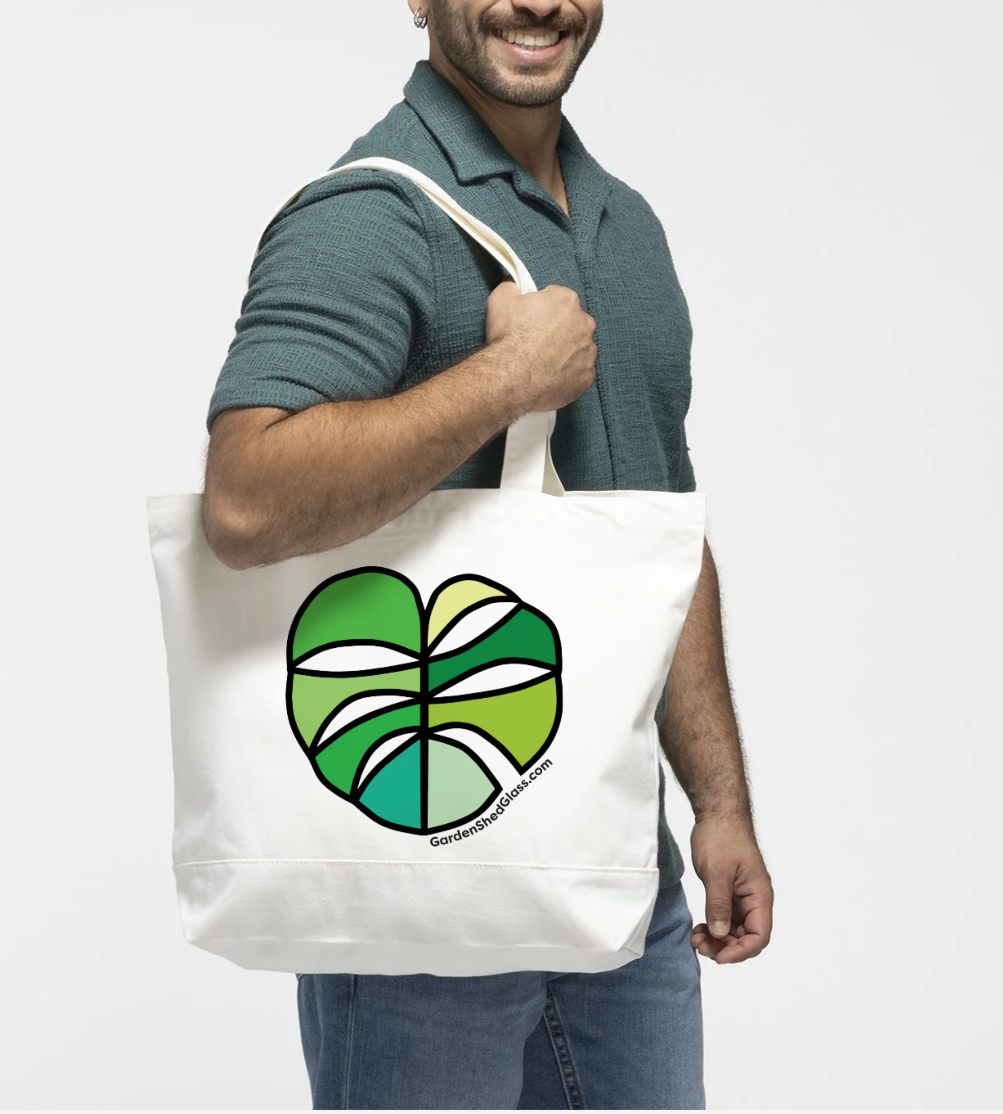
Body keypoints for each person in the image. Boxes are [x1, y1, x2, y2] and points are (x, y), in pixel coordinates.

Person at [201, 1, 773, 1107]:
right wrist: (504, 382)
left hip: (616, 876)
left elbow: (661, 533)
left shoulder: (628, 227)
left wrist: (718, 804)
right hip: (419, 893)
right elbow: (243, 502)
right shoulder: (371, 215)